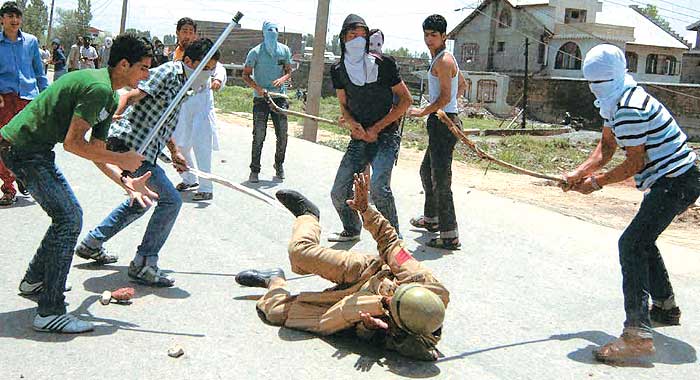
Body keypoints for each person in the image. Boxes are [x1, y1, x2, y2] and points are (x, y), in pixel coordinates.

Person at [0, 34, 156, 333]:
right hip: (21, 150)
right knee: (69, 218)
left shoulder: (109, 95)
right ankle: (50, 311)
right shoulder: (98, 88)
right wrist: (122, 158)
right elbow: (73, 144)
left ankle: (35, 280)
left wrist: (126, 181)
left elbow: (96, 151)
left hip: (34, 151)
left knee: (67, 217)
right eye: (143, 67)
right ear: (124, 64)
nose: (146, 75)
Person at [563, 44, 700, 362]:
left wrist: (595, 183)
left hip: (677, 181)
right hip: (671, 180)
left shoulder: (628, 106)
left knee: (632, 244)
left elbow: (634, 163)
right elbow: (607, 145)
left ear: (607, 79)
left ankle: (637, 334)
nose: (595, 88)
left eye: (597, 82)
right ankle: (665, 306)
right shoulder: (616, 97)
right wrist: (579, 173)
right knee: (643, 239)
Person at [236, 174, 449, 361]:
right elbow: (391, 243)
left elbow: (347, 328)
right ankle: (308, 216)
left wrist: (368, 329)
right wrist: (366, 209)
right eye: (396, 294)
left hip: (352, 302)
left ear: (401, 324)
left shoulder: (410, 339)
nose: (391, 296)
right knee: (299, 253)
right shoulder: (418, 277)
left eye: (391, 303)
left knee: (276, 313)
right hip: (367, 270)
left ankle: (273, 280)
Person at [75, 38, 221, 286]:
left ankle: (92, 243)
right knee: (170, 200)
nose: (208, 73)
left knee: (142, 200)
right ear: (188, 62)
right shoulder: (168, 73)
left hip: (147, 150)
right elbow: (131, 96)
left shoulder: (188, 84)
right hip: (130, 146)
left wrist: (174, 152)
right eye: (205, 67)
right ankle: (144, 262)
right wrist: (114, 116)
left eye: (211, 69)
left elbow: (164, 119)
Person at [328, 14, 411, 242]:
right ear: (343, 39)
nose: (357, 40)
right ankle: (352, 228)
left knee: (378, 188)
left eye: (362, 36)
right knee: (338, 191)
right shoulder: (338, 70)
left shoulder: (384, 65)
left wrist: (377, 128)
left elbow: (405, 101)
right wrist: (353, 124)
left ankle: (393, 238)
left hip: (385, 136)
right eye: (352, 35)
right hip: (359, 138)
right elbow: (344, 105)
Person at [408, 15, 466, 250]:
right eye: (426, 35)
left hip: (443, 123)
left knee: (441, 180)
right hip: (444, 119)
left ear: (444, 36)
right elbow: (461, 85)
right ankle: (431, 219)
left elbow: (443, 96)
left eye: (434, 35)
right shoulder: (441, 59)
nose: (429, 39)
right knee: (426, 171)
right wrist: (450, 107)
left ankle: (450, 234)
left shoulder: (443, 61)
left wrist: (424, 111)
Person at [171, 18, 225, 201]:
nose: (187, 35)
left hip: (201, 109)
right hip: (182, 108)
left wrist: (217, 80)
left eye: (190, 31)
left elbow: (219, 68)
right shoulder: (176, 54)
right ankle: (189, 178)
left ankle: (206, 187)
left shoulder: (205, 51)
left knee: (202, 148)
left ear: (195, 34)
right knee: (180, 145)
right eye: (183, 31)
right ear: (178, 33)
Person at [0, 1, 49, 206]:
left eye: (17, 16)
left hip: (28, 99)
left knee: (28, 145)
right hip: (4, 100)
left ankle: (22, 174)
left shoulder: (31, 42)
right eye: (10, 16)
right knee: (3, 145)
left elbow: (39, 72)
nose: (14, 20)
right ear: (2, 19)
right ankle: (8, 187)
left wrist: (47, 98)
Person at [242, 20, 293, 183]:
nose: (273, 32)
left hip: (280, 98)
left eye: (276, 30)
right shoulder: (255, 53)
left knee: (282, 135)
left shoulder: (284, 50)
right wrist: (258, 88)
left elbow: (288, 71)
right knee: (259, 134)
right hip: (261, 99)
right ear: (264, 32)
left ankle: (279, 165)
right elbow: (245, 75)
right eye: (270, 30)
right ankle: (254, 169)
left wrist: (283, 79)